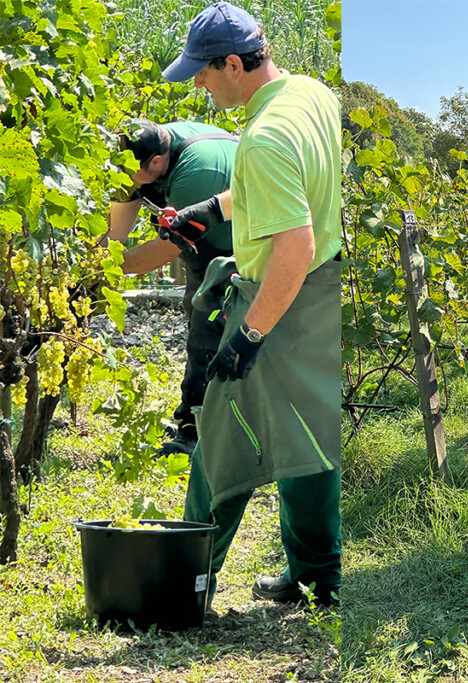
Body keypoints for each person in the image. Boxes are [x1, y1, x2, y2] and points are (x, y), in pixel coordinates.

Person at [161, 1, 342, 607]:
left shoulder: (262, 136)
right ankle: (320, 578)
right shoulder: (310, 96)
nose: (198, 85)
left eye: (202, 73)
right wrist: (213, 209)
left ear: (233, 65)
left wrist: (249, 336)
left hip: (282, 298)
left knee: (219, 435)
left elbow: (294, 246)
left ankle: (185, 585)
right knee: (310, 439)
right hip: (323, 297)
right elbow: (294, 183)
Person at [107, 119, 237, 456]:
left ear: (156, 163)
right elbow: (115, 231)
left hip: (239, 250)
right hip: (208, 243)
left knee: (208, 332)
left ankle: (195, 435)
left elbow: (165, 251)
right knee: (199, 321)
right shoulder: (144, 146)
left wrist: (107, 269)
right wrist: (99, 256)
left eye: (128, 173)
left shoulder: (196, 173)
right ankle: (192, 417)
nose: (121, 179)